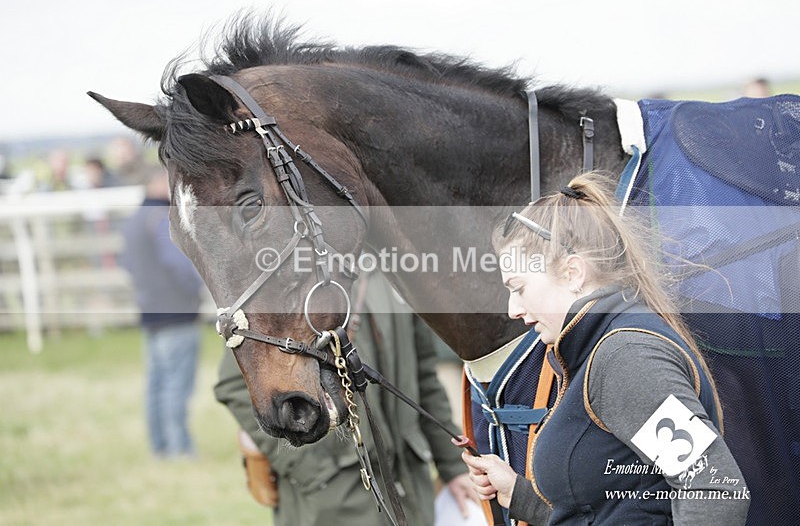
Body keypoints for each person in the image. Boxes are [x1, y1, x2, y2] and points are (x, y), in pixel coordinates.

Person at [461, 173, 749, 524]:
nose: (512, 310)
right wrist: (519, 496)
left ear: (572, 273)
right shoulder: (601, 348)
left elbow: (715, 491)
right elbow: (615, 507)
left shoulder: (626, 358)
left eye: (518, 287)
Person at [214, 271, 478, 526]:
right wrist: (313, 472)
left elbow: (423, 378)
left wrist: (452, 467)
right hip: (333, 496)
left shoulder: (395, 270)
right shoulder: (290, 280)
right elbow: (233, 383)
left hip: (409, 488)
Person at [121, 165, 203, 458]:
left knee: (156, 385)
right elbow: (180, 264)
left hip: (149, 311)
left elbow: (127, 265)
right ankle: (179, 449)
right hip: (176, 312)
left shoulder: (133, 220)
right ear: (158, 182)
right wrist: (196, 288)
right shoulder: (162, 219)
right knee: (176, 385)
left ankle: (160, 447)